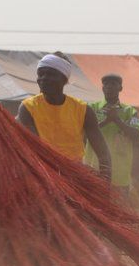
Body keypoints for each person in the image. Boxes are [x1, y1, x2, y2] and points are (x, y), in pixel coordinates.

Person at [17, 53, 111, 182]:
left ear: (64, 79)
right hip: (42, 175)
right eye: (41, 74)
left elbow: (103, 152)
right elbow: (37, 149)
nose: (43, 78)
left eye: (50, 74)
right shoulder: (28, 108)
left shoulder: (83, 110)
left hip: (75, 177)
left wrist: (105, 181)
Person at [84, 74, 139, 198]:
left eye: (113, 84)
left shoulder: (130, 111)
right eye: (106, 84)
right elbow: (83, 133)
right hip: (93, 171)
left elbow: (137, 135)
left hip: (120, 175)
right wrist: (106, 122)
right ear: (102, 88)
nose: (109, 87)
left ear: (120, 88)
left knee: (119, 214)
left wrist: (117, 120)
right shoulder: (91, 109)